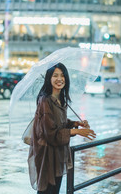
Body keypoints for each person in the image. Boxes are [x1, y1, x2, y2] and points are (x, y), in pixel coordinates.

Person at [28, 62, 96, 194]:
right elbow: (51, 134)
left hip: (57, 155)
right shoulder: (45, 101)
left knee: (54, 191)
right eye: (55, 75)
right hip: (47, 157)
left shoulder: (60, 99)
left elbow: (59, 123)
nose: (60, 79)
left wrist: (76, 124)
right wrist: (77, 131)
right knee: (47, 192)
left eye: (62, 75)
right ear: (49, 79)